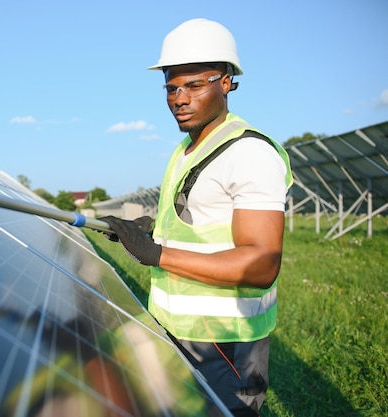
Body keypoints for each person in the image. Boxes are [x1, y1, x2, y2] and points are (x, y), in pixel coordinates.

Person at [100, 18, 293, 417]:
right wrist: (152, 229)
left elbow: (261, 264)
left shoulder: (248, 153)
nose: (179, 99)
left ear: (225, 82)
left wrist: (156, 255)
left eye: (194, 85)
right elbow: (200, 222)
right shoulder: (187, 149)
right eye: (171, 88)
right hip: (180, 327)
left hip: (226, 342)